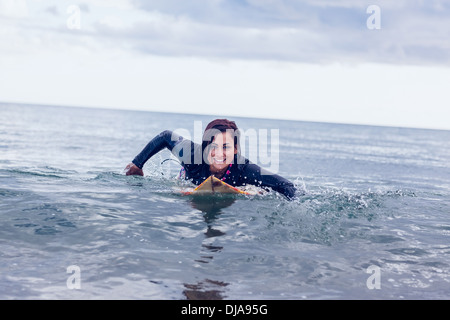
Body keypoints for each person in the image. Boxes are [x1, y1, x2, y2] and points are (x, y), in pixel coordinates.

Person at [124, 119, 296, 199]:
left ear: (235, 150)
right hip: (190, 180)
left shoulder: (244, 169)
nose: (219, 154)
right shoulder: (192, 154)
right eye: (213, 147)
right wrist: (137, 164)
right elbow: (165, 136)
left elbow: (287, 186)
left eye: (226, 147)